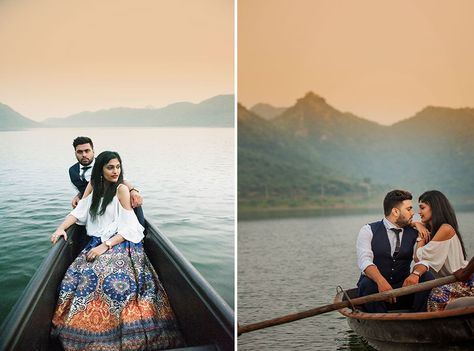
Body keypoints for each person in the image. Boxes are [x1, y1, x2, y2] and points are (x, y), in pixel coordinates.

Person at [50, 151, 184, 350]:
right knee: (72, 278)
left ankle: (116, 336)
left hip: (121, 241)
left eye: (118, 167)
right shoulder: (94, 186)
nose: (115, 171)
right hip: (97, 240)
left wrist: (106, 246)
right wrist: (61, 227)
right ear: (100, 169)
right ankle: (83, 332)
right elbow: (79, 212)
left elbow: (130, 226)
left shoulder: (121, 189)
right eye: (110, 167)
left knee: (112, 281)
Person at [356, 189, 435, 313]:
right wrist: (381, 282)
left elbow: (424, 260)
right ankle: (381, 323)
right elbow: (364, 261)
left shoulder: (415, 232)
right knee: (367, 284)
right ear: (395, 211)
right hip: (376, 292)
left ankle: (418, 318)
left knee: (427, 277)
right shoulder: (368, 230)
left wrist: (415, 274)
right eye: (409, 209)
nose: (413, 213)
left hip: (403, 290)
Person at [410, 190, 473, 312]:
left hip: (463, 282)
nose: (419, 212)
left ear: (434, 207)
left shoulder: (446, 229)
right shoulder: (433, 231)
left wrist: (421, 236)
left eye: (422, 208)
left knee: (436, 296)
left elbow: (419, 257)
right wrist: (417, 224)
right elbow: (407, 224)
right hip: (447, 282)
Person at [69, 136, 145, 225]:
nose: (84, 155)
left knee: (133, 200)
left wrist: (133, 191)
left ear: (93, 151)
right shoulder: (72, 170)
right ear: (75, 153)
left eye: (87, 151)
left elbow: (121, 179)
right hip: (92, 204)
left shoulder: (105, 162)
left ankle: (141, 231)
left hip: (113, 200)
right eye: (80, 152)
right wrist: (78, 196)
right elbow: (84, 189)